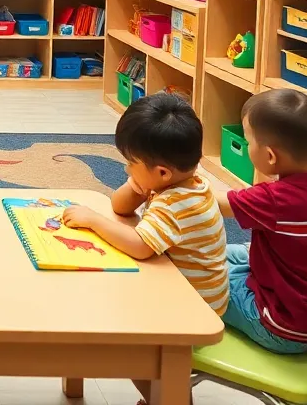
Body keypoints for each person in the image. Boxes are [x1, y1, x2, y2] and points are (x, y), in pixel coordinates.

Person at [63, 93, 227, 405]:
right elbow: (120, 207)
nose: (126, 170)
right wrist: (138, 186)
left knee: (127, 349)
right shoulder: (182, 183)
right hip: (193, 295)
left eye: (130, 164)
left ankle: (170, 399)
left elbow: (140, 246)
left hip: (192, 310)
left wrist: (94, 221)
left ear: (162, 172)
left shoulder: (176, 203)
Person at [218, 89, 307, 353]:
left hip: (279, 326)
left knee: (193, 276)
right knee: (219, 252)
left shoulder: (275, 201)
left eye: (247, 141)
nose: (245, 146)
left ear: (270, 156)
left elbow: (213, 203)